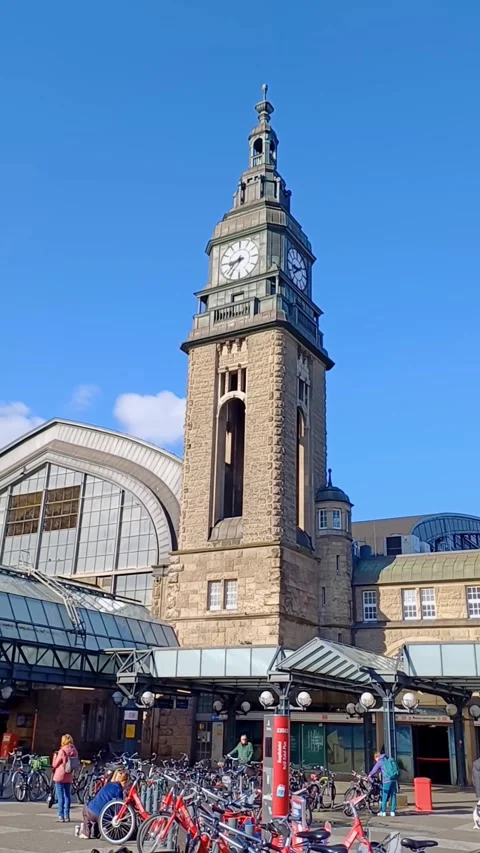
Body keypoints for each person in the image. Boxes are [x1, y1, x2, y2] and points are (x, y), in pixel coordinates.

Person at [76, 769, 129, 840]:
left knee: (87, 808)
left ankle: (86, 833)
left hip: (90, 812)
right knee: (103, 810)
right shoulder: (119, 790)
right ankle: (96, 833)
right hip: (103, 817)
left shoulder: (107, 785)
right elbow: (118, 807)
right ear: (124, 782)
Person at [52, 733, 79, 823]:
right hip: (69, 775)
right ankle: (67, 816)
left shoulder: (62, 751)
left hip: (60, 775)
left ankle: (61, 815)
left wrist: (55, 757)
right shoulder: (74, 750)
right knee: (67, 796)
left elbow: (55, 764)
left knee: (60, 796)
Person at [368, 750, 400, 817]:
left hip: (386, 780)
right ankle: (392, 812)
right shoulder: (389, 759)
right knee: (393, 795)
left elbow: (375, 769)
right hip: (393, 779)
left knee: (384, 795)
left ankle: (383, 812)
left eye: (375, 759)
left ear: (377, 757)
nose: (376, 761)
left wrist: (369, 775)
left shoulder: (380, 761)